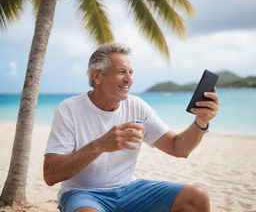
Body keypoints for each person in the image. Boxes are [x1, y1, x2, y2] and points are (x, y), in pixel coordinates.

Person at [44, 43, 219, 212]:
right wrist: (100, 145)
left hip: (128, 189)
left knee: (197, 198)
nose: (129, 79)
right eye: (121, 72)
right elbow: (50, 175)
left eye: (130, 72)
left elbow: (178, 148)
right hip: (83, 193)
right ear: (97, 76)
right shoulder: (69, 109)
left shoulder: (137, 105)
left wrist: (201, 122)